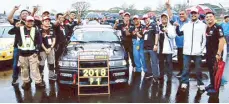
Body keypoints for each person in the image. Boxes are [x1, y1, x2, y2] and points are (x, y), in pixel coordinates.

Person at [176, 8, 206, 91]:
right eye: (192, 13)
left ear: (198, 14)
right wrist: (177, 26)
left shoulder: (203, 25)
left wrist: (202, 50)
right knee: (186, 68)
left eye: (195, 13)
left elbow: (204, 39)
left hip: (198, 52)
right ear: (190, 15)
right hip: (187, 51)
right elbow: (179, 33)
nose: (193, 15)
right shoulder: (186, 25)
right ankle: (185, 82)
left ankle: (200, 83)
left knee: (198, 69)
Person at [14, 16, 45, 89]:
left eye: (31, 21)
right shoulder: (19, 29)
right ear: (25, 22)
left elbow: (39, 42)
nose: (30, 23)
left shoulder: (36, 30)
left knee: (34, 69)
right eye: (28, 21)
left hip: (32, 54)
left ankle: (38, 82)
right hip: (22, 54)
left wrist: (36, 52)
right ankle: (26, 81)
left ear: (33, 22)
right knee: (24, 69)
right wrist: (16, 27)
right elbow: (10, 32)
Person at [166, 1, 190, 77]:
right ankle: (181, 71)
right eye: (180, 14)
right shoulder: (178, 20)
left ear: (186, 14)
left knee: (186, 61)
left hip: (187, 45)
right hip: (179, 45)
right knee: (180, 60)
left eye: (183, 14)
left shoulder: (189, 22)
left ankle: (186, 74)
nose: (181, 15)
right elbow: (170, 16)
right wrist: (168, 7)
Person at [7, 5, 30, 86]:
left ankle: (28, 79)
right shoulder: (17, 21)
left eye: (26, 13)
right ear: (20, 15)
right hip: (18, 46)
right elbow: (9, 18)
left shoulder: (30, 22)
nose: (24, 14)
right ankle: (14, 78)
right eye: (23, 13)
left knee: (28, 64)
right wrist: (14, 9)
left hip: (28, 47)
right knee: (16, 63)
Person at [205, 12, 226, 94]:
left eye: (210, 16)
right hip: (209, 53)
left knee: (216, 71)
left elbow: (222, 41)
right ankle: (212, 84)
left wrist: (218, 53)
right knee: (210, 70)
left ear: (214, 17)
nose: (208, 18)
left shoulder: (218, 27)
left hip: (216, 54)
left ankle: (216, 88)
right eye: (207, 17)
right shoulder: (208, 28)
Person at [158, 13, 176, 82]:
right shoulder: (159, 26)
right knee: (161, 62)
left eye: (165, 17)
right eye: (162, 18)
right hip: (161, 48)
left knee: (169, 62)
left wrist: (167, 31)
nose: (164, 19)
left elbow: (173, 36)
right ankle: (161, 75)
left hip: (168, 48)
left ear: (167, 18)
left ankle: (169, 76)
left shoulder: (171, 27)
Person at [142, 14, 160, 80]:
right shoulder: (144, 27)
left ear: (149, 18)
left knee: (154, 62)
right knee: (147, 62)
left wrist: (156, 44)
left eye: (146, 18)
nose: (145, 20)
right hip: (145, 47)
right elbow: (142, 36)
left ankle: (156, 76)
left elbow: (157, 34)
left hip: (152, 47)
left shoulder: (154, 25)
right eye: (144, 19)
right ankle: (150, 74)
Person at [39, 16, 56, 81]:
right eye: (46, 21)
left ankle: (51, 75)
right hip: (42, 50)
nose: (47, 22)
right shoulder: (40, 31)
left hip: (51, 49)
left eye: (48, 21)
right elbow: (40, 41)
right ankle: (40, 75)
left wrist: (50, 48)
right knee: (41, 64)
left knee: (51, 62)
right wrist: (46, 49)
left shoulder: (51, 30)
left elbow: (54, 40)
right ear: (42, 22)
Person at [221, 15, 229, 85]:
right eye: (226, 18)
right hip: (223, 35)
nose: (227, 19)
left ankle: (227, 52)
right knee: (224, 44)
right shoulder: (222, 24)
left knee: (227, 44)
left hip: (228, 35)